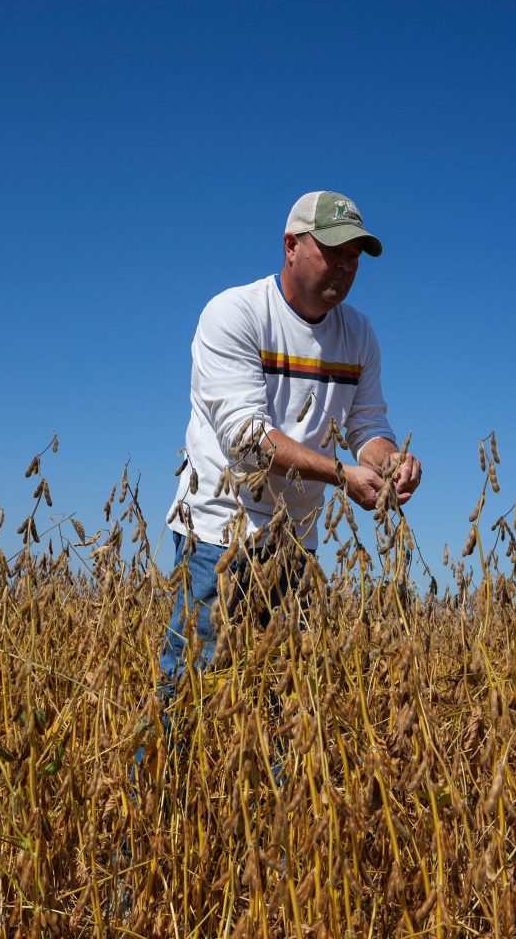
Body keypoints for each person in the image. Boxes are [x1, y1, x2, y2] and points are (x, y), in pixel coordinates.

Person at [158, 190, 422, 690]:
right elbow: (246, 440)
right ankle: (160, 771)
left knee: (285, 705)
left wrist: (393, 462)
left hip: (297, 545)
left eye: (354, 257)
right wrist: (341, 475)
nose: (345, 267)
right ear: (290, 246)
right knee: (189, 691)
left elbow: (367, 428)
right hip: (218, 538)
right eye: (333, 252)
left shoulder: (359, 335)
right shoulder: (235, 314)